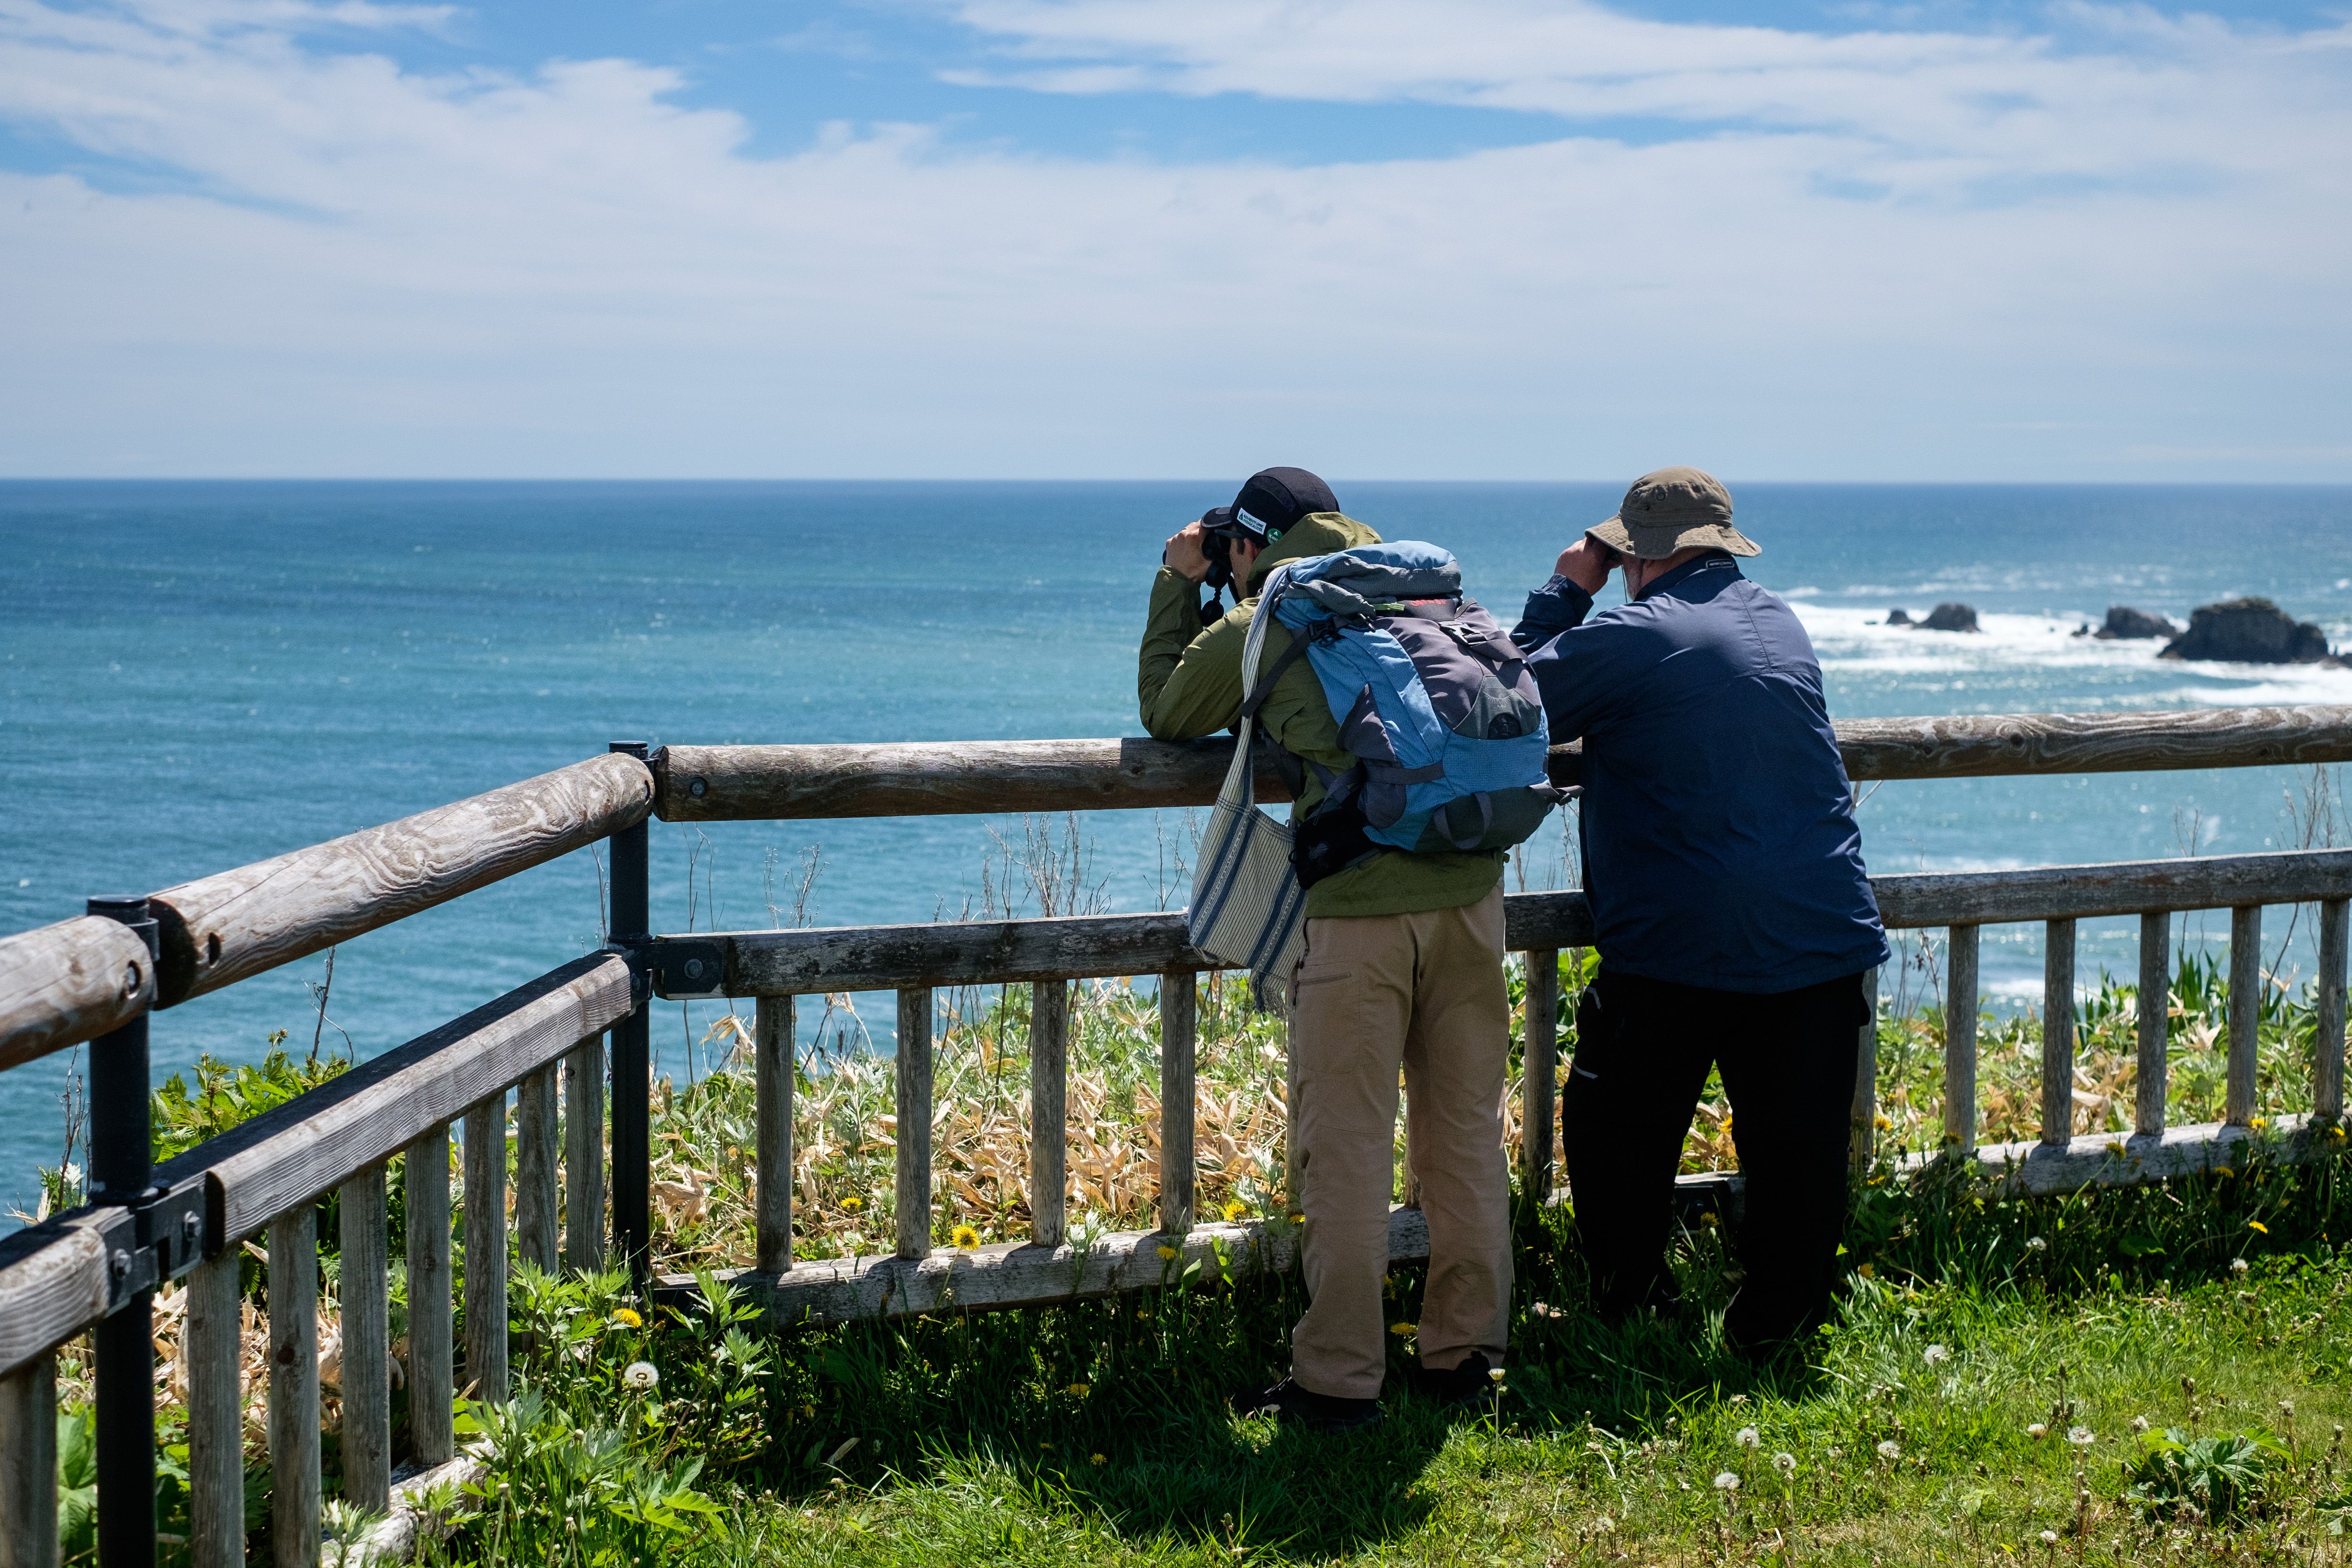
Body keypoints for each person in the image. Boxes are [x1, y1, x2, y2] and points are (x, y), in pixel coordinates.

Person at [1139, 466, 1514, 1431]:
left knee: (1347, 1150)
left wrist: (1179, 581)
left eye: (1230, 549)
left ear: (1249, 546)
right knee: (1464, 1135)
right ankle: (1466, 1357)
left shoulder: (1270, 615)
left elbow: (1170, 714)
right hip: (1474, 901)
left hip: (1356, 918)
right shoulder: (1423, 593)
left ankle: (1340, 1380)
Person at [1510, 466, 1890, 1358]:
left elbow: (1507, 701)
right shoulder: (1777, 617)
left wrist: (1568, 587)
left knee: (1614, 1134)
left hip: (1683, 939)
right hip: (1822, 928)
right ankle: (1782, 1330)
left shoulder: (1640, 635)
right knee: (1798, 1153)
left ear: (1640, 557)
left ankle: (1633, 1311)